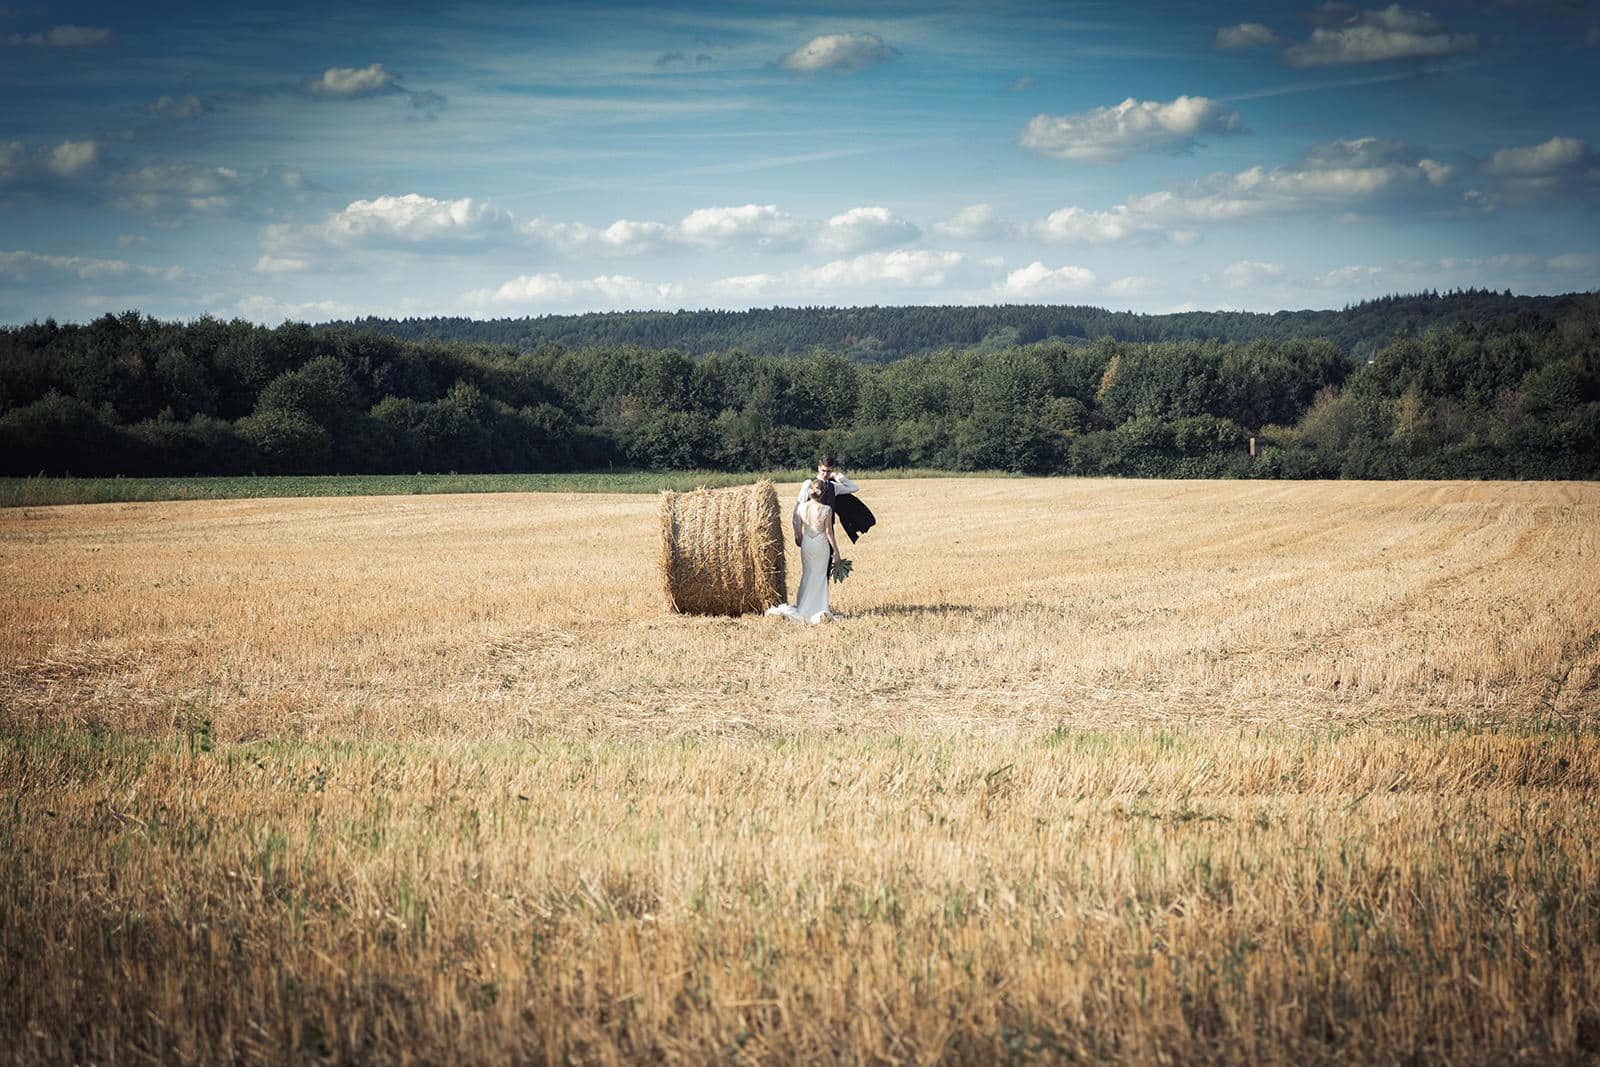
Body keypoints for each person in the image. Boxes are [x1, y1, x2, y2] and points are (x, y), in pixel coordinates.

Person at [765, 477, 843, 624]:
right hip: (821, 545)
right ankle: (819, 608)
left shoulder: (801, 508)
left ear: (810, 492)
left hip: (807, 543)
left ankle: (804, 607)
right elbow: (829, 533)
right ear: (823, 493)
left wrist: (800, 538)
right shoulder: (826, 509)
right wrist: (837, 552)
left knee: (808, 573)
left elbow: (798, 529)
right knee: (819, 575)